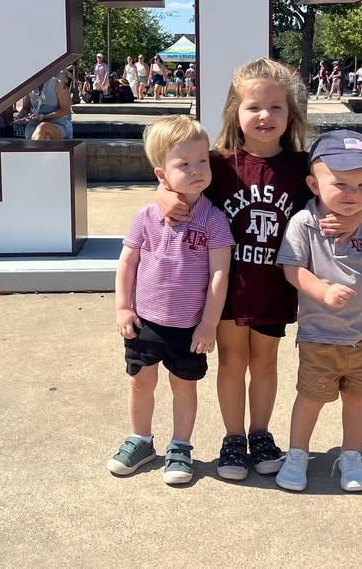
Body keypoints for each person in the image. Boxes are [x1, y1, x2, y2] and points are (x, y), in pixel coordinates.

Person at [155, 58, 357, 480]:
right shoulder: (217, 163)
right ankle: (233, 438)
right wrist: (162, 196)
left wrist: (349, 220)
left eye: (276, 107)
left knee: (265, 363)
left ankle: (261, 433)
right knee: (231, 362)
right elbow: (173, 171)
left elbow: (348, 192)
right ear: (236, 112)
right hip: (226, 288)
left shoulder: (304, 168)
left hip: (275, 286)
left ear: (291, 113)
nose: (265, 116)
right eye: (254, 107)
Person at [274, 130, 362, 492]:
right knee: (311, 398)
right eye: (342, 184)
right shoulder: (304, 223)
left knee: (357, 398)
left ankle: (351, 455)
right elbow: (292, 269)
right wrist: (322, 290)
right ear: (314, 184)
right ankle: (297, 454)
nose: (354, 194)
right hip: (321, 336)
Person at [108, 115, 234, 485]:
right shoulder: (146, 215)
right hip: (145, 320)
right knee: (140, 383)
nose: (196, 170)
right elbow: (128, 261)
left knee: (184, 386)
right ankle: (141, 439)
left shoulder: (214, 220)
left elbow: (219, 273)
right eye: (184, 164)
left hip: (189, 327)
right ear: (162, 175)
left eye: (202, 161)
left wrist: (209, 322)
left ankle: (181, 446)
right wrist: (122, 306)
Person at [17, 72, 73, 140]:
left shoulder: (58, 84)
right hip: (34, 125)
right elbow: (26, 108)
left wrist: (43, 117)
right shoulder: (29, 85)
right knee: (46, 137)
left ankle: (32, 149)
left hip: (58, 123)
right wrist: (20, 116)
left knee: (43, 127)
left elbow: (65, 110)